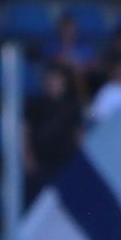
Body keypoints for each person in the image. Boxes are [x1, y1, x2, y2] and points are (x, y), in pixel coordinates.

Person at [23, 63, 84, 203]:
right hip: (41, 162)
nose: (52, 82)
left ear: (64, 82)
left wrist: (78, 161)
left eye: (56, 79)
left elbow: (78, 135)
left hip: (65, 161)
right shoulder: (35, 104)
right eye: (49, 78)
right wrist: (28, 157)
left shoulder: (73, 106)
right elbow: (25, 132)